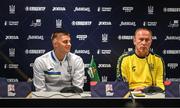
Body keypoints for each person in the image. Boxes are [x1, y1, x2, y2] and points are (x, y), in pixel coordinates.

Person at [116, 27, 165, 92]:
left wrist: (150, 90)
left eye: (147, 40)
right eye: (141, 39)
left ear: (151, 42)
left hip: (151, 94)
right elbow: (121, 86)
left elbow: (160, 85)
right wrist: (133, 91)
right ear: (134, 41)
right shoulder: (124, 59)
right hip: (131, 95)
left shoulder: (158, 60)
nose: (144, 43)